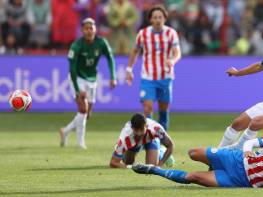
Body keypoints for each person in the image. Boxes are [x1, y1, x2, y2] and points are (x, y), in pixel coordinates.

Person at [132, 132, 263, 189]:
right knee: (192, 153)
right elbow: (252, 143)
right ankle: (213, 164)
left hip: (240, 180)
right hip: (235, 158)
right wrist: (245, 152)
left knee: (193, 177)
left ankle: (152, 169)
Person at [59, 18, 117, 149]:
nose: (89, 31)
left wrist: (113, 77)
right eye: (86, 28)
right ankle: (81, 143)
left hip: (92, 79)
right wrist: (78, 90)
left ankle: (66, 131)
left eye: (91, 28)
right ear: (82, 30)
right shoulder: (76, 45)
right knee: (83, 109)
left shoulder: (102, 42)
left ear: (95, 29)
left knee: (87, 114)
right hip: (78, 77)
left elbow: (110, 58)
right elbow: (72, 69)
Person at [125, 5, 181, 131]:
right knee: (147, 107)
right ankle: (149, 137)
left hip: (165, 77)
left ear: (165, 19)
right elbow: (135, 51)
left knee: (163, 109)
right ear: (150, 19)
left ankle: (162, 139)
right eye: (155, 17)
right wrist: (129, 69)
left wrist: (172, 60)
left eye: (160, 17)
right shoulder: (143, 34)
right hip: (148, 77)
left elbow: (177, 52)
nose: (157, 20)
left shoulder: (171, 33)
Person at [109, 113, 174, 169]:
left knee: (151, 167)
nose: (139, 133)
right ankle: (125, 154)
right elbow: (113, 163)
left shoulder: (156, 129)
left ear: (147, 126)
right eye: (136, 130)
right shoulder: (125, 136)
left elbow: (170, 145)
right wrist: (130, 167)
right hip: (134, 143)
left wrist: (160, 164)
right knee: (128, 163)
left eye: (142, 130)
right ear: (132, 128)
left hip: (151, 139)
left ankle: (161, 152)